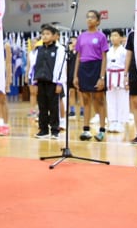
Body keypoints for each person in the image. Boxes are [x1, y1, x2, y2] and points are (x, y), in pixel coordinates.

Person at [74, 10, 108, 141]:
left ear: (98, 21)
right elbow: (78, 56)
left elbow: (104, 58)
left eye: (92, 17)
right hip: (84, 68)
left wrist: (102, 77)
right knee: (86, 100)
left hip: (96, 67)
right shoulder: (81, 36)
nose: (89, 19)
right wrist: (75, 75)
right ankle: (86, 130)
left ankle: (102, 130)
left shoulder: (101, 36)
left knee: (99, 100)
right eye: (87, 17)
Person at [32, 24, 66, 139]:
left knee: (53, 107)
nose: (44, 36)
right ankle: (43, 130)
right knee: (42, 107)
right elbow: (34, 66)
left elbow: (61, 66)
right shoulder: (38, 49)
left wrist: (59, 83)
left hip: (53, 82)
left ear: (53, 36)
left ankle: (55, 130)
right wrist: (35, 82)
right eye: (43, 34)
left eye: (47, 34)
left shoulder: (59, 49)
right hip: (41, 81)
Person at [105, 29, 130, 133]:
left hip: (121, 74)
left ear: (121, 38)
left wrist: (127, 78)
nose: (113, 38)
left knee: (122, 98)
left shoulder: (124, 51)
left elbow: (127, 66)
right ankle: (113, 121)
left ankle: (121, 122)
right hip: (110, 75)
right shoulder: (108, 51)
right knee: (110, 99)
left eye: (115, 35)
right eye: (112, 36)